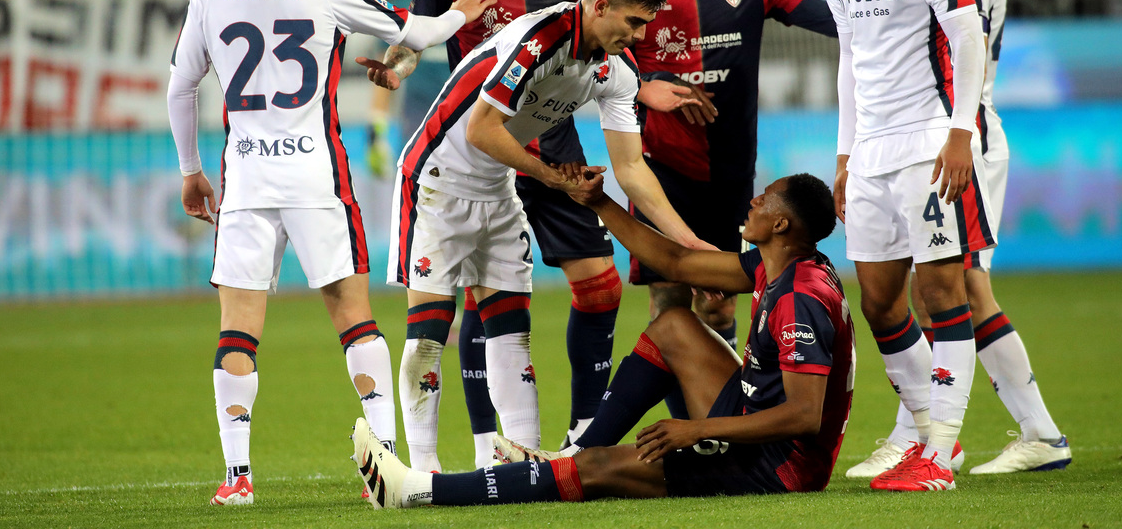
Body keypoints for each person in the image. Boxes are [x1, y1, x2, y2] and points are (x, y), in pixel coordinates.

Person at [166, 0, 496, 506]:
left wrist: (189, 171)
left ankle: (237, 479)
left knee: (237, 329)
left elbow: (181, 88)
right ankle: (386, 466)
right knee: (354, 319)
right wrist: (459, 13)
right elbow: (417, 31)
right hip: (315, 175)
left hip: (247, 177)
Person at [381, 0, 711, 474]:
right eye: (634, 21)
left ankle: (523, 467)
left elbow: (631, 169)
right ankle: (422, 472)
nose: (640, 35)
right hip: (436, 180)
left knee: (512, 329)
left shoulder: (616, 69)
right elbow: (480, 130)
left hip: (498, 185)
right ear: (599, 6)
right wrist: (553, 176)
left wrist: (690, 244)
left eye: (646, 24)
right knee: (429, 331)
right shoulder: (539, 39)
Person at [352, 171, 854, 508]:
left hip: (778, 466)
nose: (754, 201)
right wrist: (599, 202)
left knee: (597, 470)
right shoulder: (782, 265)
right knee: (675, 325)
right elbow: (676, 262)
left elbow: (803, 416)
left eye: (765, 199)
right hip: (755, 420)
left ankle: (417, 490)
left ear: (781, 224)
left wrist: (696, 431)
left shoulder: (799, 298)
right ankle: (570, 454)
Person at [366, 0, 636, 463]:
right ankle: (482, 447)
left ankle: (577, 432)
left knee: (599, 286)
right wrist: (396, 69)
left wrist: (639, 87)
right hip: (479, 148)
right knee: (473, 304)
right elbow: (418, 32)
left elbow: (595, 40)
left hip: (554, 148)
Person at [779, 0, 997, 492]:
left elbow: (966, 33)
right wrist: (845, 155)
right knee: (878, 302)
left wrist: (959, 133)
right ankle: (931, 437)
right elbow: (849, 56)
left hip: (928, 138)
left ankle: (939, 451)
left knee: (942, 291)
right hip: (871, 150)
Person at [843, 0, 1069, 478]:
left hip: (959, 136)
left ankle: (1002, 434)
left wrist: (957, 130)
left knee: (955, 286)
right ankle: (952, 431)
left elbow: (961, 43)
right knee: (942, 287)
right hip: (947, 133)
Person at [630, 0, 837, 410]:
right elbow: (598, 62)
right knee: (669, 302)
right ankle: (688, 431)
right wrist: (647, 83)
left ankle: (721, 422)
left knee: (721, 305)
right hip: (662, 171)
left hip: (730, 177)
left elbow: (831, 19)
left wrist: (888, 10)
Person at [364, 0, 465, 178]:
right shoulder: (403, 8)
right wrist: (376, 135)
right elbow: (384, 74)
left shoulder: (477, 9)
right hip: (417, 139)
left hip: (468, 137)